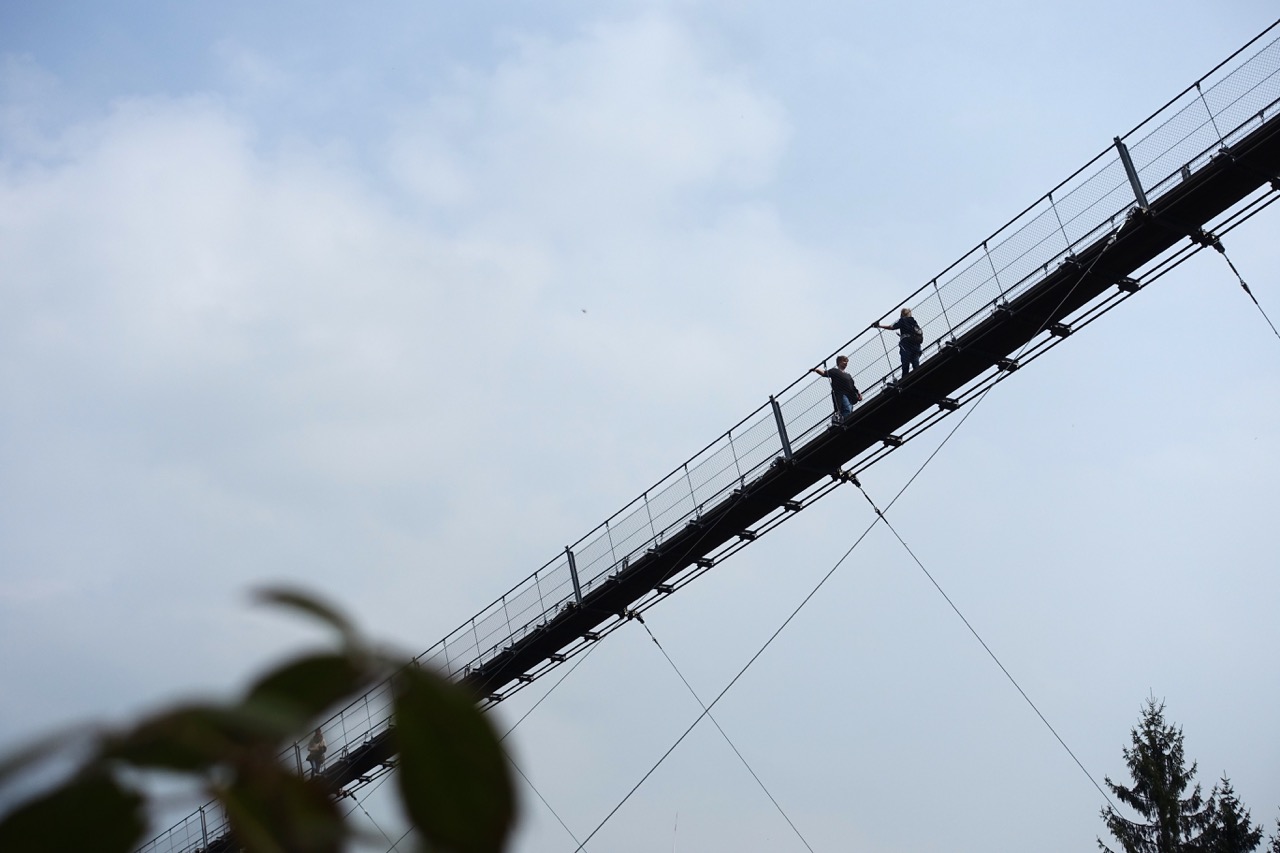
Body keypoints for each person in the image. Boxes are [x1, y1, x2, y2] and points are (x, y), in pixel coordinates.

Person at [875, 307, 923, 381]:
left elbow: (892, 327)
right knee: (916, 364)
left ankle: (904, 381)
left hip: (907, 346)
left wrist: (879, 326)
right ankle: (919, 378)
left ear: (902, 315)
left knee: (905, 364)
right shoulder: (913, 321)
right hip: (916, 345)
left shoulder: (902, 320)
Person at [812, 355, 862, 422]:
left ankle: (845, 420)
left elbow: (853, 386)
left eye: (847, 362)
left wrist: (858, 393)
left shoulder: (848, 375)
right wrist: (816, 370)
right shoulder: (834, 371)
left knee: (849, 409)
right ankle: (845, 422)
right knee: (847, 409)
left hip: (850, 395)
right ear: (839, 362)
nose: (846, 363)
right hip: (841, 394)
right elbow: (824, 373)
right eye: (844, 361)